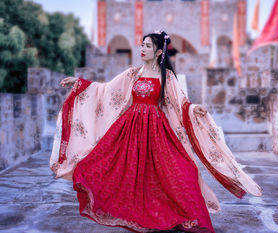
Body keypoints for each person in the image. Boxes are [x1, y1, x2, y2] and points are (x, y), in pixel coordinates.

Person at [50, 30, 262, 233]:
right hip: (129, 128)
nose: (142, 49)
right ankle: (140, 216)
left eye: (147, 46)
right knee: (117, 167)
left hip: (156, 129)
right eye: (141, 45)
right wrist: (79, 83)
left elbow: (179, 101)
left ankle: (180, 215)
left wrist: (194, 108)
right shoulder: (133, 73)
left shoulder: (166, 76)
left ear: (159, 52)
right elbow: (106, 89)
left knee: (180, 170)